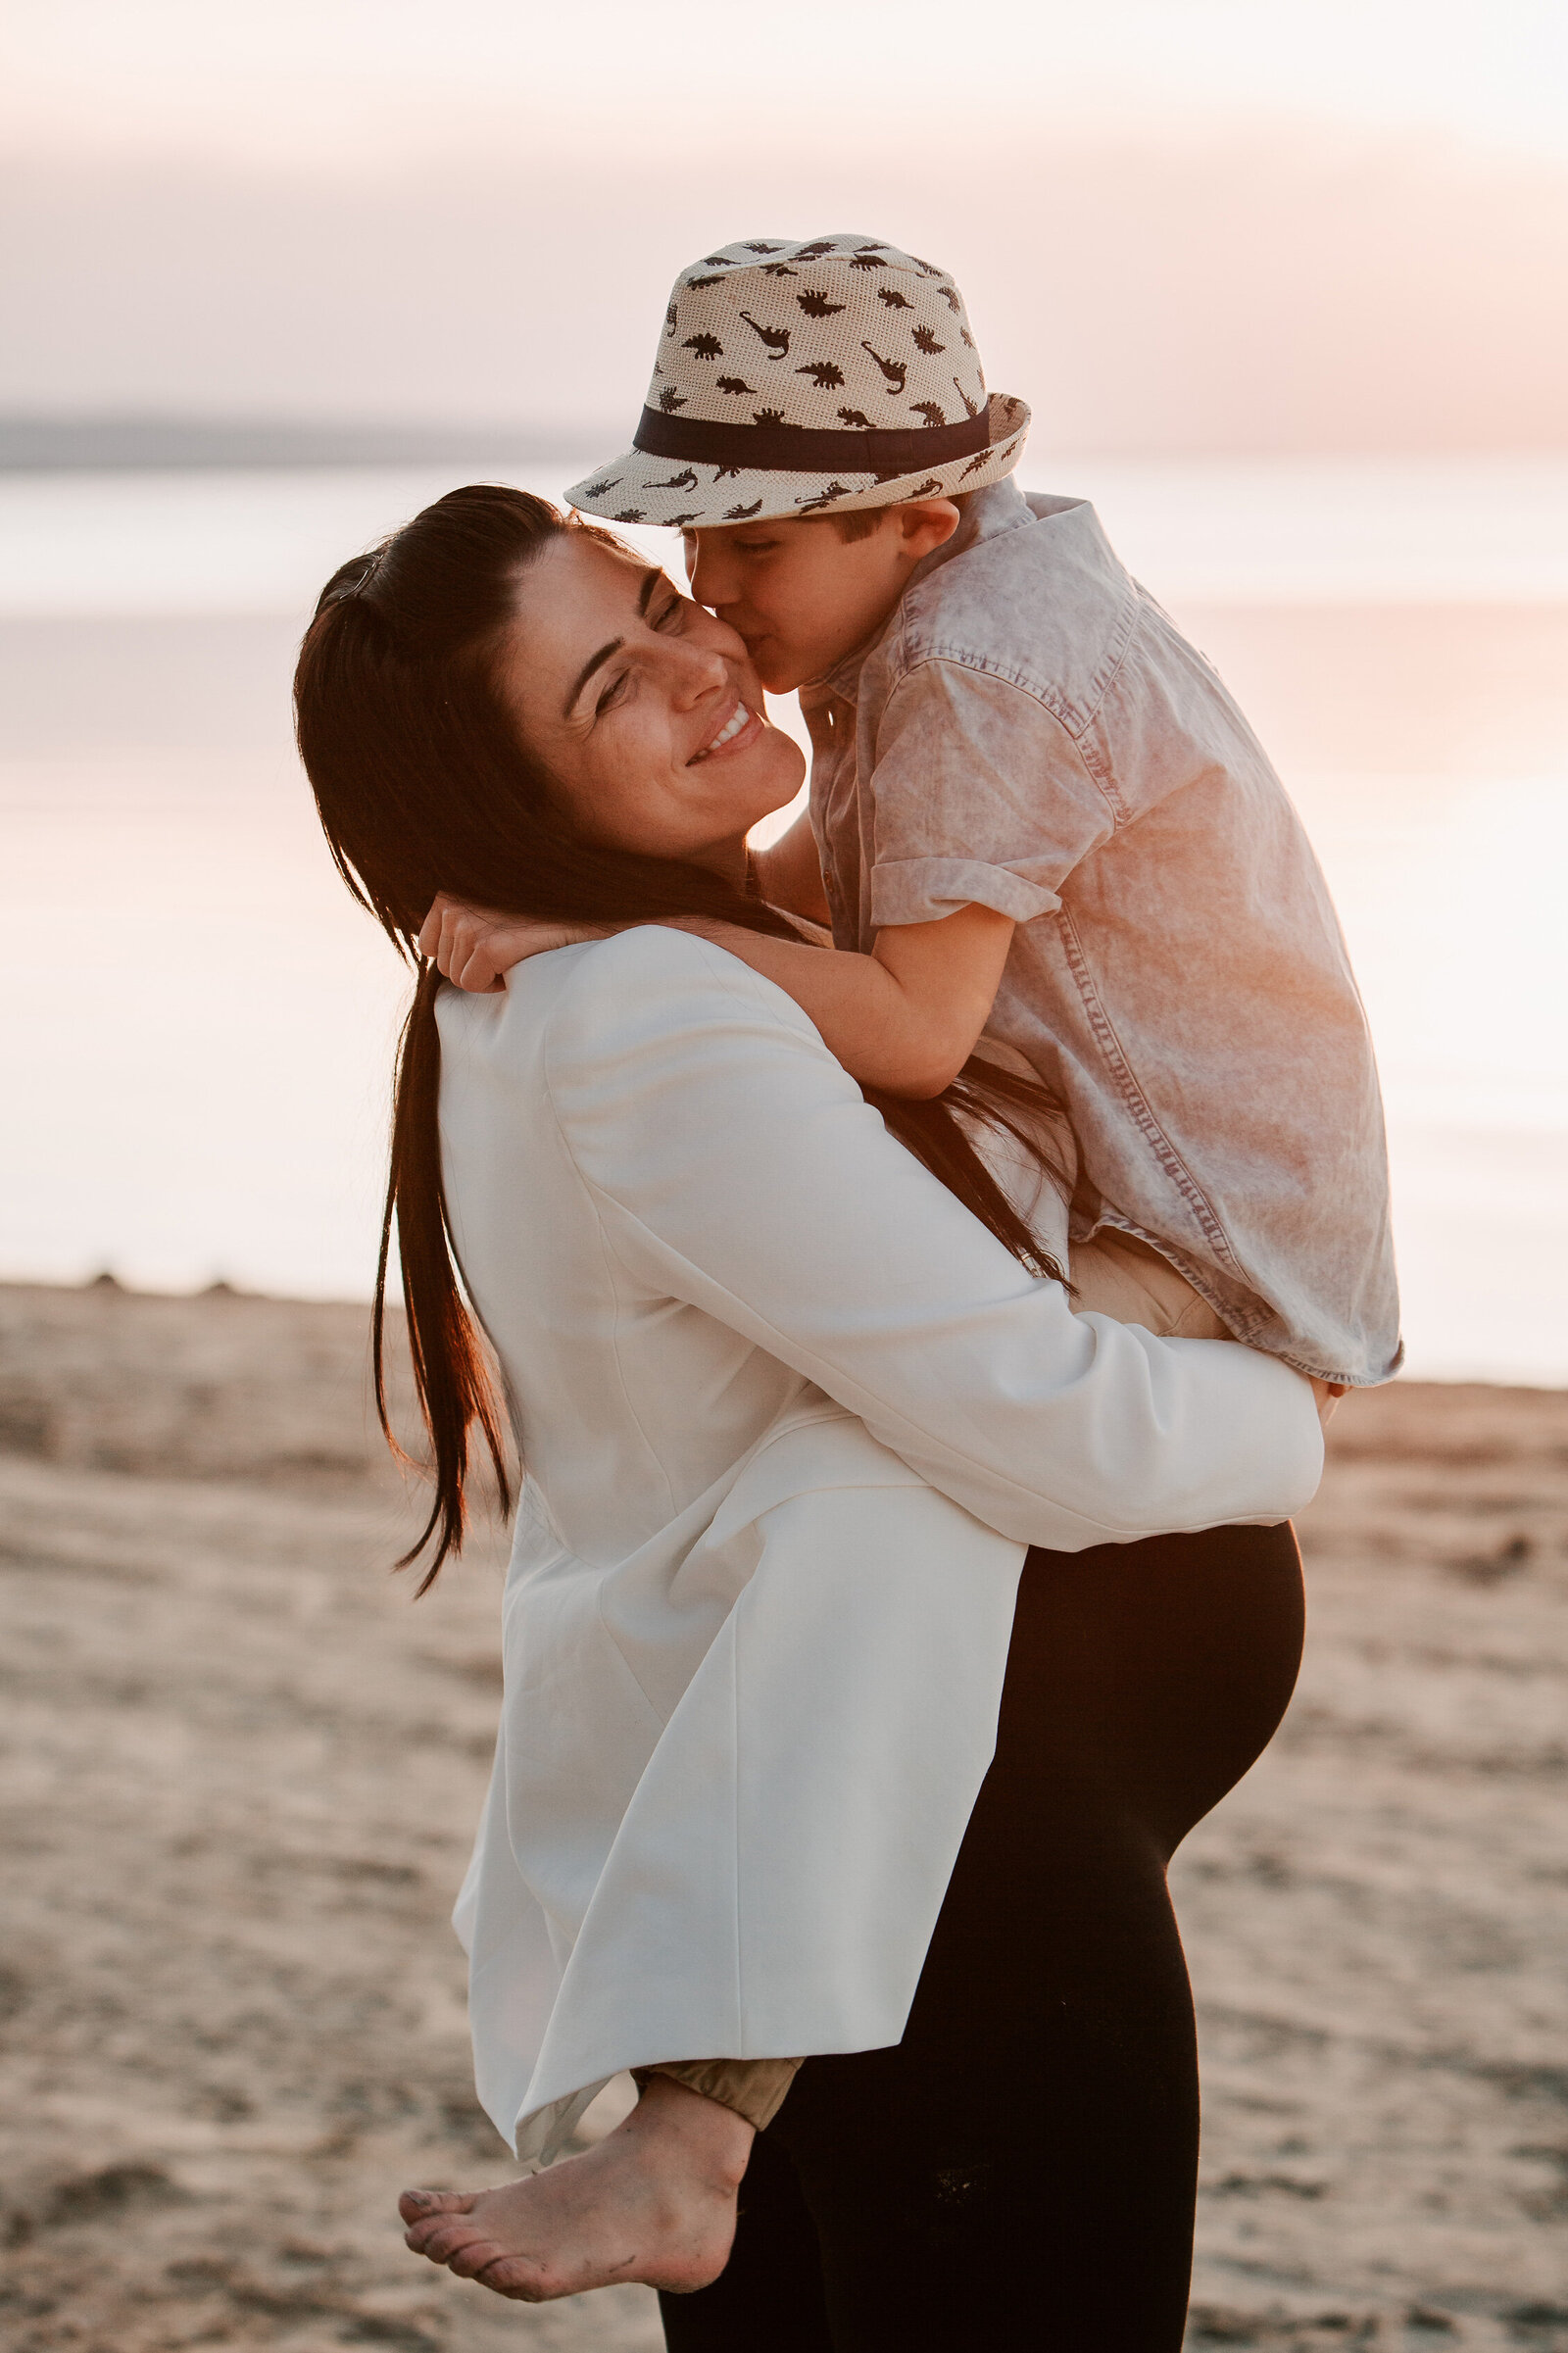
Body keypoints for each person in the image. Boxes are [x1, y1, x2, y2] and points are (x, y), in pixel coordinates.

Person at [294, 483, 1333, 2350]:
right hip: (952, 1867)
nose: (706, 652)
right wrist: (1288, 1404)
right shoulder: (657, 1018)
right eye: (616, 682)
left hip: (855, 1836)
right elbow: (1044, 1430)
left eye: (656, 594)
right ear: (510, 801)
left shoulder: (586, 982)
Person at [431, 230, 1398, 1391]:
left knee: (784, 1375)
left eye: (756, 544)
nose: (713, 588)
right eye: (691, 538)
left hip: (1211, 1244)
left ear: (919, 522)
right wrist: (567, 884)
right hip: (1230, 1205)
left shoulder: (974, 669)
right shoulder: (941, 594)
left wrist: (614, 937)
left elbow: (914, 1033)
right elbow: (829, 872)